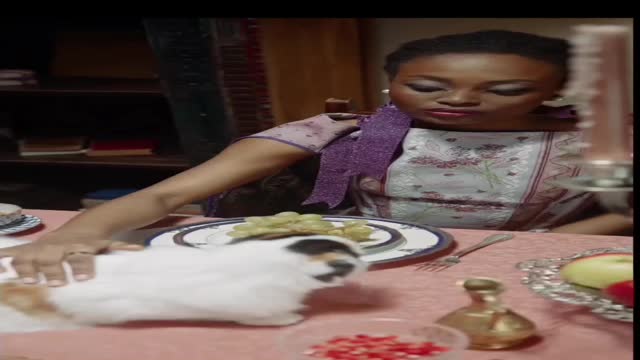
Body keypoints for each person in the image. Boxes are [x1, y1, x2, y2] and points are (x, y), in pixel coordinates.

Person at [0, 30, 631, 286]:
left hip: (529, 266)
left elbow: (620, 215)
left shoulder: (599, 137)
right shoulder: (341, 130)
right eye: (430, 88)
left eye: (505, 90)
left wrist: (533, 247)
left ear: (553, 92)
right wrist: (80, 232)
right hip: (367, 263)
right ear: (393, 85)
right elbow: (171, 195)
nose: (462, 101)